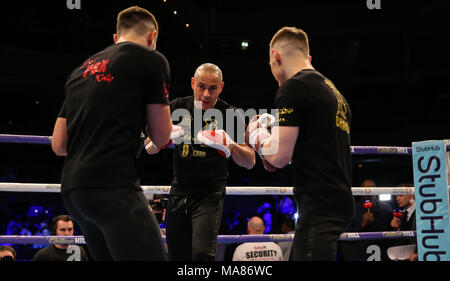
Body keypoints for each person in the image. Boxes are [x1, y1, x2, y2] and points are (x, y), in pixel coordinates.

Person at [51, 6, 171, 260]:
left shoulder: (80, 71)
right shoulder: (151, 59)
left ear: (116, 38)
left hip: (74, 190)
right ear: (152, 37)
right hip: (113, 185)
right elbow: (161, 137)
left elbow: (59, 144)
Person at [246, 26, 355, 260]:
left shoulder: (295, 87)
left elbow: (278, 157)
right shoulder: (334, 92)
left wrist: (257, 136)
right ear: (308, 58)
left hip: (319, 204)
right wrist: (272, 139)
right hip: (336, 198)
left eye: (271, 64)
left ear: (275, 56)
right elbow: (296, 153)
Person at [146, 63, 256, 260]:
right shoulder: (177, 107)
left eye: (212, 88)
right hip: (179, 192)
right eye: (201, 86)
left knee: (201, 254)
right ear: (192, 83)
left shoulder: (231, 115)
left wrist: (230, 144)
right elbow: (149, 148)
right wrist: (164, 138)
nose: (206, 93)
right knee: (177, 256)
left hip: (209, 195)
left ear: (221, 87)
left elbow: (250, 162)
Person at [388, 183, 417, 261]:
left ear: (411, 196)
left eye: (401, 195)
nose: (397, 198)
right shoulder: (401, 215)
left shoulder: (422, 213)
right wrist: (397, 229)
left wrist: (419, 254)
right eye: (396, 196)